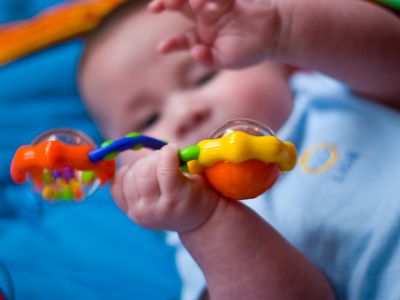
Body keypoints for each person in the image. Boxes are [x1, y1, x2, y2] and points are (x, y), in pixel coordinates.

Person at [78, 0, 400, 299]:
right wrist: (208, 223)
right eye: (148, 119)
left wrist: (283, 31)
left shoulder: (328, 91)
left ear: (281, 65)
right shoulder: (195, 235)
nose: (184, 113)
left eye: (204, 76)